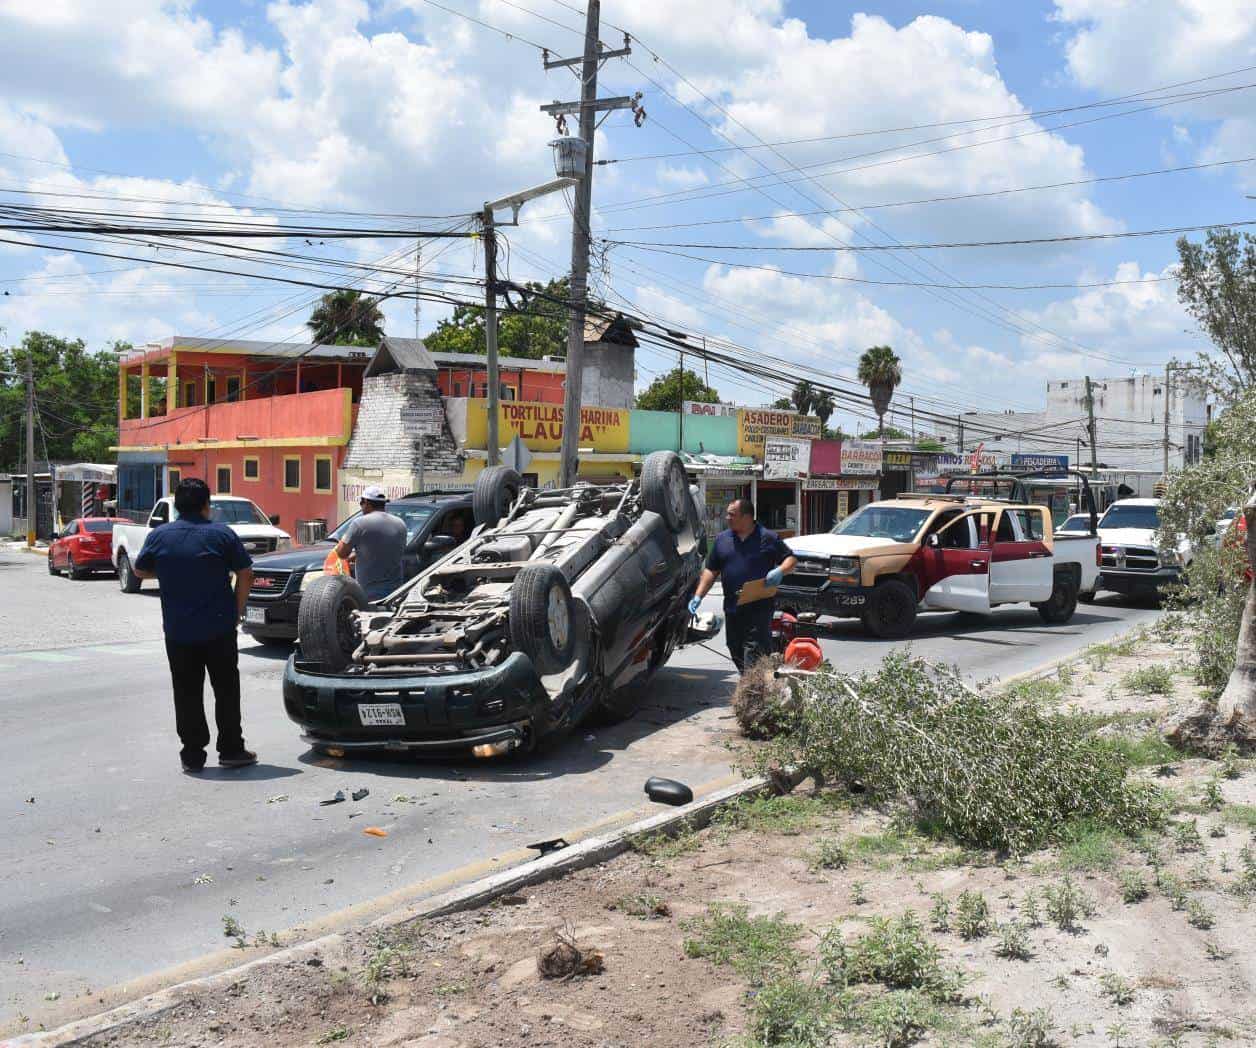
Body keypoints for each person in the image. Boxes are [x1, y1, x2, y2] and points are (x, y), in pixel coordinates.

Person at [132, 478, 257, 774]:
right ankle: (231, 749)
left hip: (178, 631)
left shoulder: (160, 536)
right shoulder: (222, 535)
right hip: (219, 629)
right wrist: (237, 612)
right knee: (226, 689)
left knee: (186, 692)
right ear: (206, 505)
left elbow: (139, 569)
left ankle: (192, 755)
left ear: (176, 506)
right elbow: (247, 573)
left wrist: (170, 569)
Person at [688, 498, 797, 673]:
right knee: (734, 647)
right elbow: (711, 570)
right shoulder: (723, 540)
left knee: (754, 652)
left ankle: (752, 691)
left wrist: (780, 571)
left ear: (747, 517)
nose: (727, 518)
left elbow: (791, 559)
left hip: (760, 608)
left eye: (732, 514)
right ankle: (752, 684)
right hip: (733, 608)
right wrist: (698, 596)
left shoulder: (767, 537)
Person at [335, 484, 407, 601]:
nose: (361, 507)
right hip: (396, 592)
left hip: (369, 593)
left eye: (361, 503)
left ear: (367, 502)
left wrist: (343, 539)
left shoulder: (359, 523)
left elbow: (342, 553)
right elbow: (390, 551)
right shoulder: (400, 524)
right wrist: (358, 555)